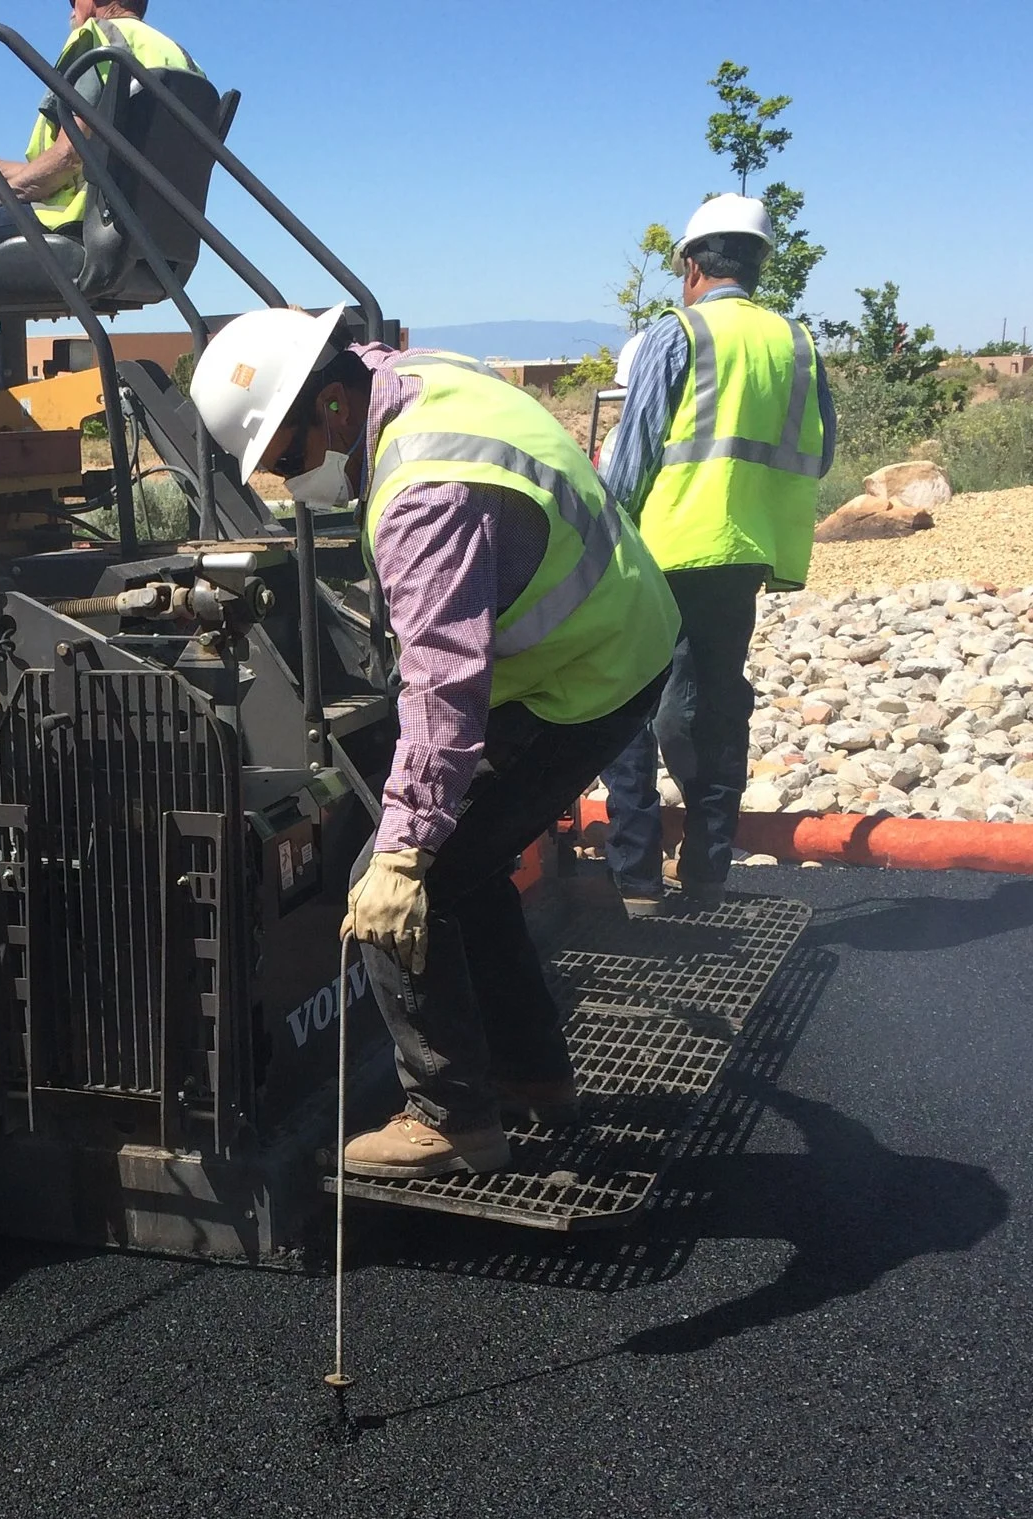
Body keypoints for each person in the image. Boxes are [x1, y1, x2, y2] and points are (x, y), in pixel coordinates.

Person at [189, 308, 680, 1179]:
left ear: (333, 407)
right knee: (470, 865)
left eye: (286, 459)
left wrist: (402, 855)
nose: (285, 481)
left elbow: (446, 682)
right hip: (615, 635)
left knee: (385, 885)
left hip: (587, 677)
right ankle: (533, 1075)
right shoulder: (418, 378)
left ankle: (449, 1117)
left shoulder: (422, 494)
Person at [599, 193, 838, 914]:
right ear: (760, 264)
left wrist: (601, 539)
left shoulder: (680, 335)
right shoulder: (796, 342)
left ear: (691, 267)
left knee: (627, 709)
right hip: (747, 552)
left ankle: (637, 878)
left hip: (664, 550)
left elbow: (633, 455)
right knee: (718, 705)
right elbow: (820, 453)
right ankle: (706, 868)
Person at [0, 0, 202, 434]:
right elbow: (86, 161)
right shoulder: (177, 60)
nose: (69, 7)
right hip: (151, 247)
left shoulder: (97, 41)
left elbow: (69, 153)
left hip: (82, 229)